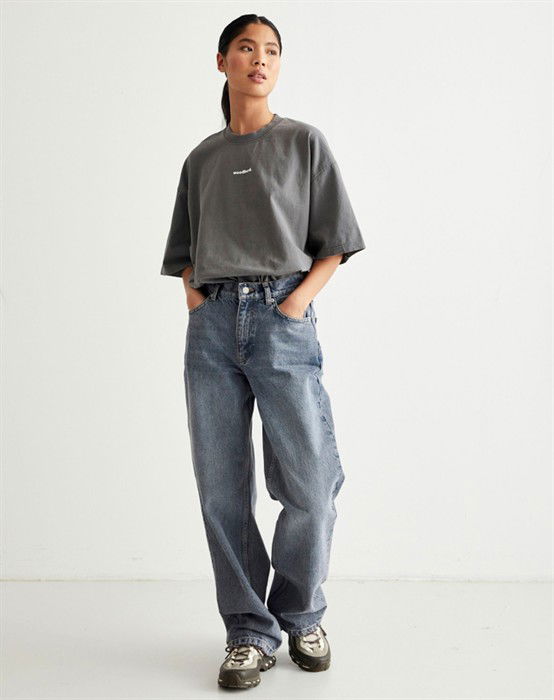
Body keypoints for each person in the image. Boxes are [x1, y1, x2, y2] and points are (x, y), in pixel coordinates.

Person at [160, 14, 366, 690]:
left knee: (310, 484)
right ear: (222, 60)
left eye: (272, 50)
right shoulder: (201, 159)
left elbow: (335, 241)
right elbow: (183, 251)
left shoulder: (303, 142)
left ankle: (300, 613)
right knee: (222, 490)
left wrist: (296, 302)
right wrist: (198, 300)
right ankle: (248, 631)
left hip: (283, 318)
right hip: (213, 328)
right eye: (247, 48)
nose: (260, 59)